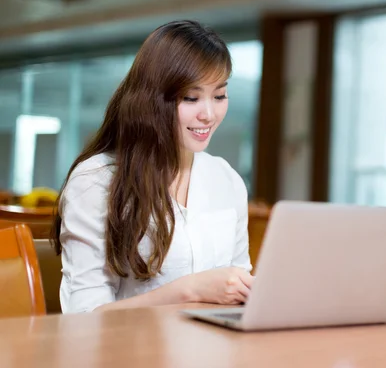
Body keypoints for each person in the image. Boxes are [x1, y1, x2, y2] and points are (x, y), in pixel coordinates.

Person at [51, 20, 254, 313]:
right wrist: (189, 291)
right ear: (152, 100)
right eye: (191, 98)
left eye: (220, 96)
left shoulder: (226, 178)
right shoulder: (96, 181)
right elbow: (83, 316)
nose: (209, 114)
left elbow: (239, 284)